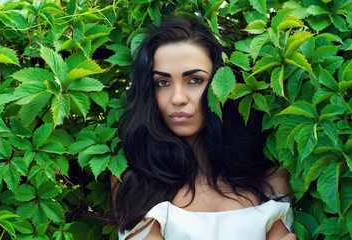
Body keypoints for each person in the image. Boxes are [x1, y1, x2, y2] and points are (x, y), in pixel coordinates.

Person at [110, 17, 296, 240]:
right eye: (162, 82)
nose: (178, 98)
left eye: (195, 80)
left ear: (224, 83)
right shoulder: (134, 180)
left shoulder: (270, 176)